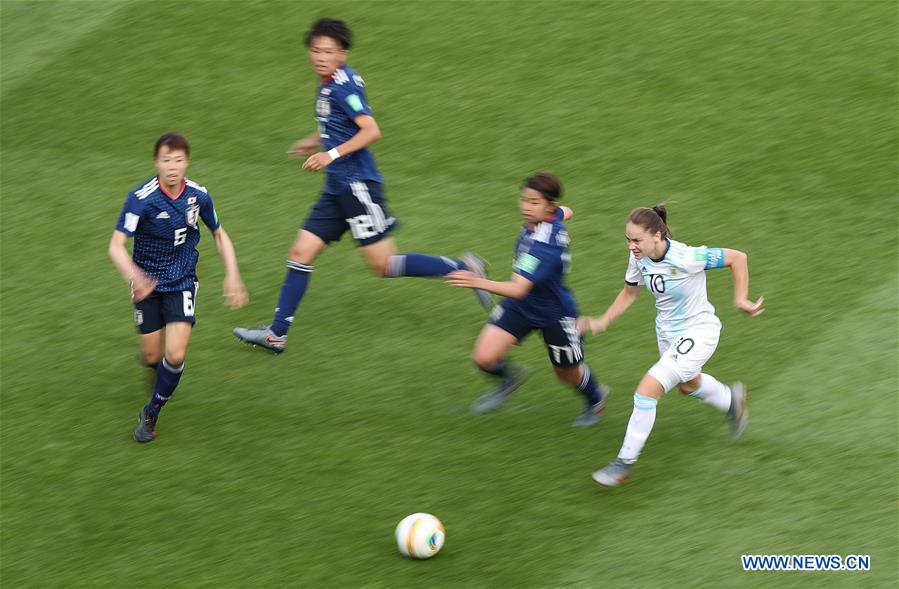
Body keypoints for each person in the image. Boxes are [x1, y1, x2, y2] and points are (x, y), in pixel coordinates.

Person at [234, 18, 488, 353]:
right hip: (336, 188)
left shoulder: (343, 85)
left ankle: (463, 267)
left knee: (384, 265)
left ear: (343, 54)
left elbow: (370, 130)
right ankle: (277, 334)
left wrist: (330, 154)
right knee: (300, 253)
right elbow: (337, 121)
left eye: (329, 51)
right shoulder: (328, 83)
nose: (321, 56)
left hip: (357, 188)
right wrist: (315, 140)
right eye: (315, 50)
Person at [581, 204, 764, 486]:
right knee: (688, 385)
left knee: (646, 392)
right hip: (667, 335)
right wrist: (603, 320)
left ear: (657, 235)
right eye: (628, 239)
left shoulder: (686, 256)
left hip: (699, 332)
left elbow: (737, 257)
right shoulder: (638, 257)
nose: (631, 246)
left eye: (636, 240)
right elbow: (630, 292)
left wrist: (740, 299)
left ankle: (622, 464)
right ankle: (732, 401)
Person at [109, 132, 248, 443]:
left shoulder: (199, 196)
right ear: (157, 162)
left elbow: (219, 234)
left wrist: (233, 274)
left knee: (175, 353)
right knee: (151, 355)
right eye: (166, 160)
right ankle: (151, 366)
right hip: (146, 286)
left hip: (182, 282)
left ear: (187, 162)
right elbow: (116, 246)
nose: (172, 167)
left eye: (178, 160)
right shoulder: (141, 198)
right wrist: (135, 276)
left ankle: (151, 413)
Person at [446, 172, 610, 426]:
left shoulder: (544, 246)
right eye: (524, 199)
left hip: (554, 314)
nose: (525, 206)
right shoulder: (550, 216)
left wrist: (477, 281)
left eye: (534, 202)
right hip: (522, 307)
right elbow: (567, 211)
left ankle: (596, 398)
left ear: (547, 206)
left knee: (567, 373)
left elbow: (518, 288)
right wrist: (560, 212)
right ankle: (509, 379)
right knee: (484, 358)